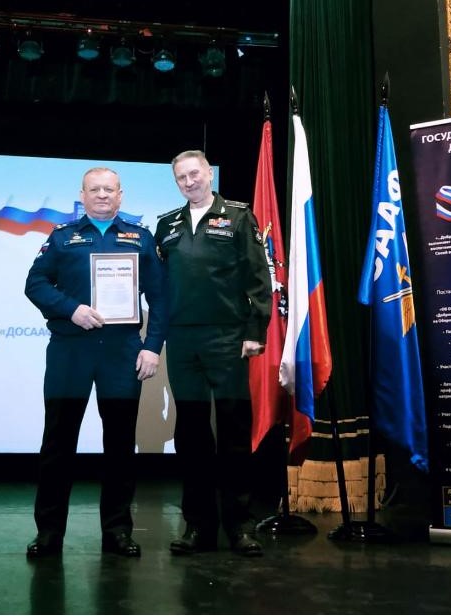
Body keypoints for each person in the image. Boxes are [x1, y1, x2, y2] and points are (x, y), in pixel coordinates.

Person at [24, 167, 166, 558]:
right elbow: (35, 284)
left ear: (120, 195)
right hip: (70, 351)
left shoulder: (141, 238)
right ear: (82, 195)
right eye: (94, 189)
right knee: (58, 443)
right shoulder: (62, 236)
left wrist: (152, 346)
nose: (102, 195)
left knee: (120, 446)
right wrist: (71, 309)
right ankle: (49, 533)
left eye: (109, 189)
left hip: (121, 353)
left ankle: (117, 531)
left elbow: (160, 297)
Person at [154, 150, 272, 556]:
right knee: (190, 436)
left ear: (209, 174)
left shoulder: (238, 217)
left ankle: (240, 526)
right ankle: (198, 527)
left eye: (195, 174)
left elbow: (259, 276)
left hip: (227, 339)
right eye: (181, 177)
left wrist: (255, 331)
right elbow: (158, 284)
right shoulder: (166, 225)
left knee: (234, 435)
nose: (189, 182)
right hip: (183, 342)